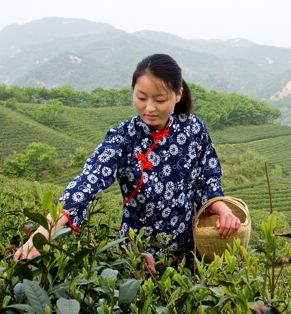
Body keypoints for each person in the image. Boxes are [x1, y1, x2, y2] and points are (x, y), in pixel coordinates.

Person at [13, 54, 241, 267]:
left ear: (178, 95)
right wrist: (43, 233)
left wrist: (223, 210)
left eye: (160, 100)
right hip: (137, 255)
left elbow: (206, 178)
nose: (149, 108)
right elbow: (86, 184)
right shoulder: (123, 137)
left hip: (188, 252)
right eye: (141, 98)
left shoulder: (193, 127)